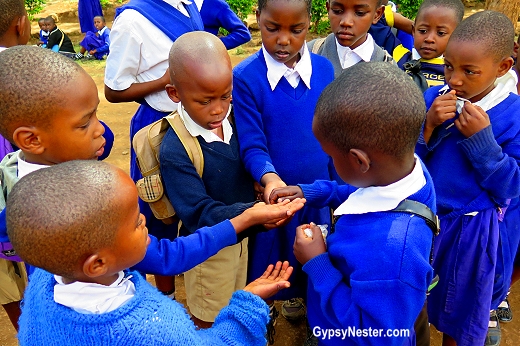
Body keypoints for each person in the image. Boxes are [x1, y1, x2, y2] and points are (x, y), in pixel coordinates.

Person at [7, 160, 295, 346]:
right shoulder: (153, 328)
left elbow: (173, 253)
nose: (144, 220)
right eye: (134, 222)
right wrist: (248, 303)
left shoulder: (44, 283)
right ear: (97, 263)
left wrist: (242, 220)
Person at [270, 62, 435, 346]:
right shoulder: (407, 174)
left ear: (359, 161)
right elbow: (359, 191)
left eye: (331, 156)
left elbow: (375, 338)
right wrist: (309, 192)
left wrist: (317, 262)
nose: (331, 163)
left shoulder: (394, 252)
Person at [159, 31, 279, 329]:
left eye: (226, 96)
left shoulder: (235, 119)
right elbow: (199, 213)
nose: (218, 109)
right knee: (211, 314)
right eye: (205, 100)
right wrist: (250, 214)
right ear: (175, 94)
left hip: (243, 240)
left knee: (240, 299)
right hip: (208, 252)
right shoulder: (176, 148)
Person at [232, 0, 336, 340]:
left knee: (319, 265)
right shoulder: (246, 78)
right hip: (277, 203)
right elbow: (251, 142)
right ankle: (265, 322)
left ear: (310, 23)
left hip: (319, 195)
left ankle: (316, 327)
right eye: (272, 28)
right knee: (272, 268)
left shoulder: (324, 71)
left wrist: (336, 189)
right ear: (257, 19)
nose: (283, 40)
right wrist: (270, 177)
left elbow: (333, 133)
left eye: (296, 30)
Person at [415, 11, 520, 346]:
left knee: (459, 313)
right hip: (427, 223)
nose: (454, 79)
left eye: (469, 71)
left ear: (503, 67)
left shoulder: (513, 116)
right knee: (418, 300)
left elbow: (511, 186)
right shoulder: (434, 100)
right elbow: (407, 164)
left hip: (472, 236)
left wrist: (483, 142)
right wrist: (427, 127)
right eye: (449, 66)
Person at [104, 0, 204, 297]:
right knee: (158, 207)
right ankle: (166, 296)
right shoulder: (133, 19)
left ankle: (199, 281)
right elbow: (114, 89)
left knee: (195, 199)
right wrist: (165, 80)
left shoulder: (190, 5)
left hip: (196, 121)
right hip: (157, 130)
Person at [0, 0, 31, 331]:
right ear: (21, 24)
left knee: (7, 287)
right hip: (26, 205)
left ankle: (25, 333)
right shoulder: (30, 72)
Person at [308, 0, 392, 79]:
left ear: (377, 14)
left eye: (360, 13)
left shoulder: (389, 72)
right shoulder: (307, 54)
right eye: (337, 11)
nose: (346, 22)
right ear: (328, 8)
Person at [393, 0, 464, 90]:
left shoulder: (453, 72)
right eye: (423, 31)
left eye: (441, 33)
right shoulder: (397, 54)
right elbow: (378, 15)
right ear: (413, 31)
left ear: (455, 36)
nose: (429, 39)